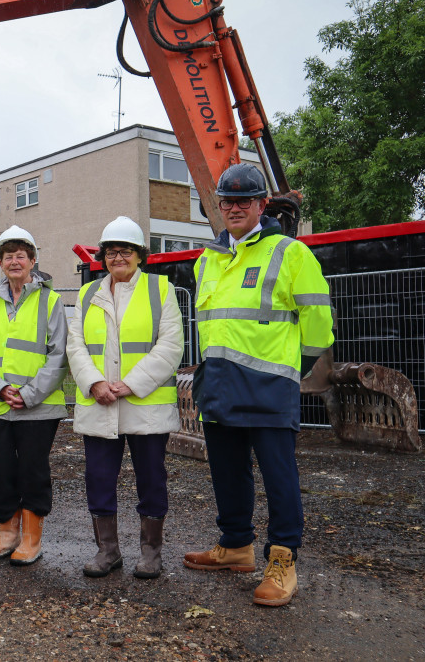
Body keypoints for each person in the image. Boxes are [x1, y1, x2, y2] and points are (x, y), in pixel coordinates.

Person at [183, 164, 334, 607]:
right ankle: (235, 546)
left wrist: (289, 368)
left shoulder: (290, 253)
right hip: (219, 387)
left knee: (279, 477)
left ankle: (283, 560)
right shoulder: (207, 259)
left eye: (243, 201)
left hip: (269, 388)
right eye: (226, 201)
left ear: (260, 205)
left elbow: (319, 326)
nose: (233, 208)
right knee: (226, 472)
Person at [66, 216, 183, 580]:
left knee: (151, 479)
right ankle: (108, 551)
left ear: (139, 255)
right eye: (112, 252)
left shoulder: (161, 290)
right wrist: (94, 382)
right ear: (103, 257)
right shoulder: (88, 294)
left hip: (144, 405)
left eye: (126, 251)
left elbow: (170, 345)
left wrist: (131, 383)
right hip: (100, 403)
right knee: (99, 478)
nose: (119, 258)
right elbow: (76, 346)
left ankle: (151, 554)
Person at [0, 225, 68, 566]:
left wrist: (28, 394)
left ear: (33, 261)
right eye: (8, 256)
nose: (15, 261)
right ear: (0, 262)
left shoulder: (51, 301)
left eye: (21, 256)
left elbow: (59, 354)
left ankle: (30, 539)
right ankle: (5, 535)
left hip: (38, 407)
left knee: (31, 471)